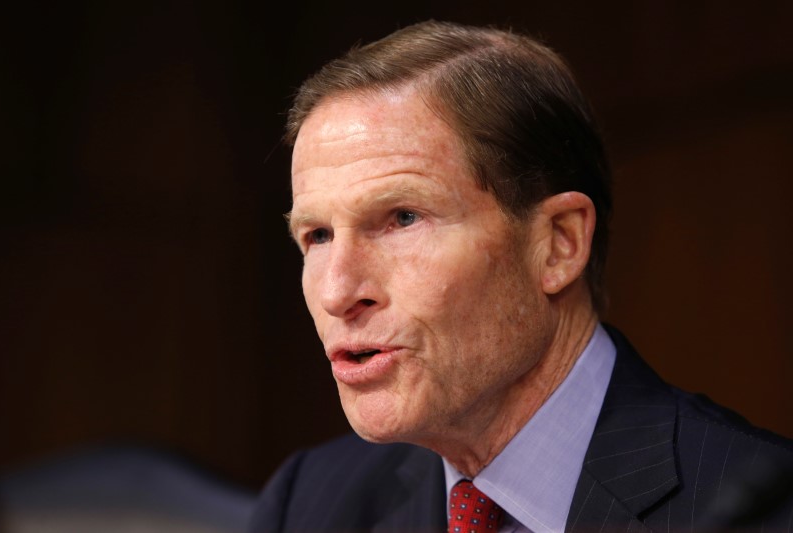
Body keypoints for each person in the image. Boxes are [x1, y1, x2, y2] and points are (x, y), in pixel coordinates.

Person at [249, 20, 793, 532]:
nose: (338, 291)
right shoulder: (308, 502)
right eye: (317, 235)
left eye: (403, 218)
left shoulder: (759, 512)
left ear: (559, 244)